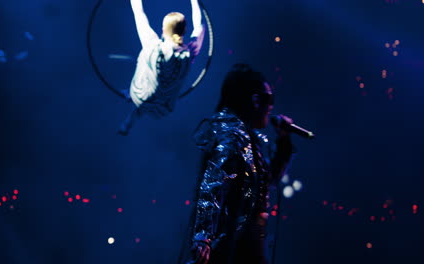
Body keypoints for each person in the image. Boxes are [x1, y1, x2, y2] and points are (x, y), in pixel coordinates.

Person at [187, 64, 295, 264]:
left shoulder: (245, 137)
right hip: (230, 246)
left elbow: (266, 180)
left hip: (243, 243)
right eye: (268, 99)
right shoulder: (231, 136)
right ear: (255, 100)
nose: (271, 107)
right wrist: (203, 235)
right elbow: (214, 182)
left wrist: (284, 143)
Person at [118, 0, 205, 135]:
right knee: (157, 90)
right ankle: (129, 119)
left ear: (163, 30)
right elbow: (200, 26)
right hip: (164, 106)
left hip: (140, 95)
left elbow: (138, 12)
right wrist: (194, 2)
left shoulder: (152, 45)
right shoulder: (189, 53)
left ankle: (130, 98)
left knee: (147, 80)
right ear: (184, 30)